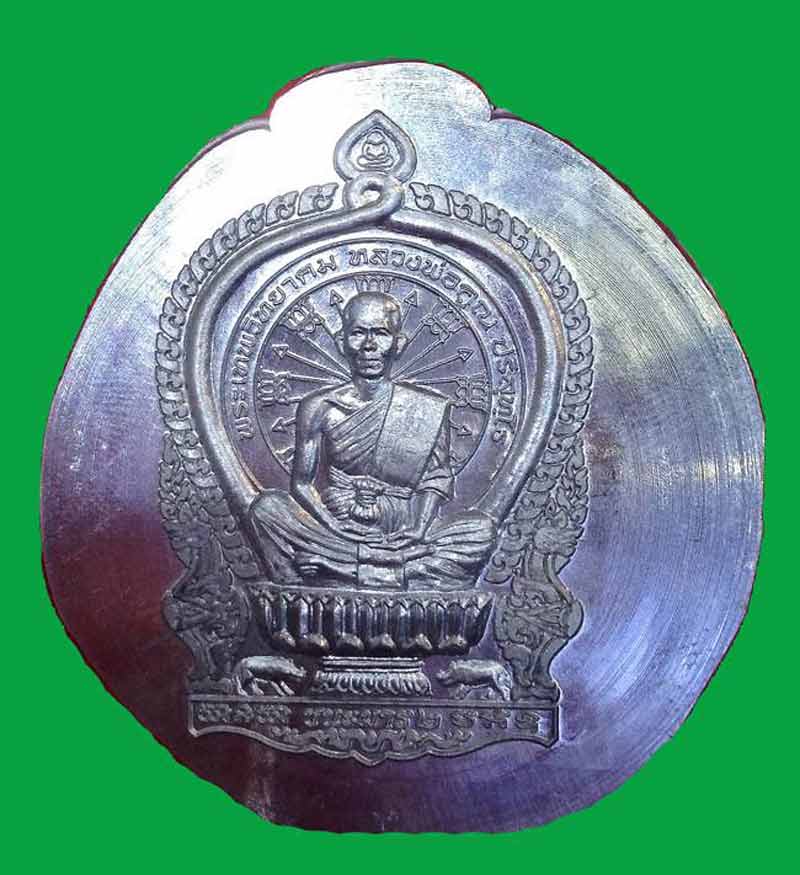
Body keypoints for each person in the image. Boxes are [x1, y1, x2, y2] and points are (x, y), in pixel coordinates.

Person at [249, 284, 494, 589]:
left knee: (480, 531)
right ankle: (392, 570)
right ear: (341, 342)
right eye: (358, 333)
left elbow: (436, 478)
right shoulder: (318, 407)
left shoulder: (425, 409)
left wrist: (418, 530)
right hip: (336, 527)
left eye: (380, 333)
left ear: (398, 344)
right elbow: (301, 483)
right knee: (267, 509)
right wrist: (334, 527)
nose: (369, 346)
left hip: (403, 532)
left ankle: (339, 571)